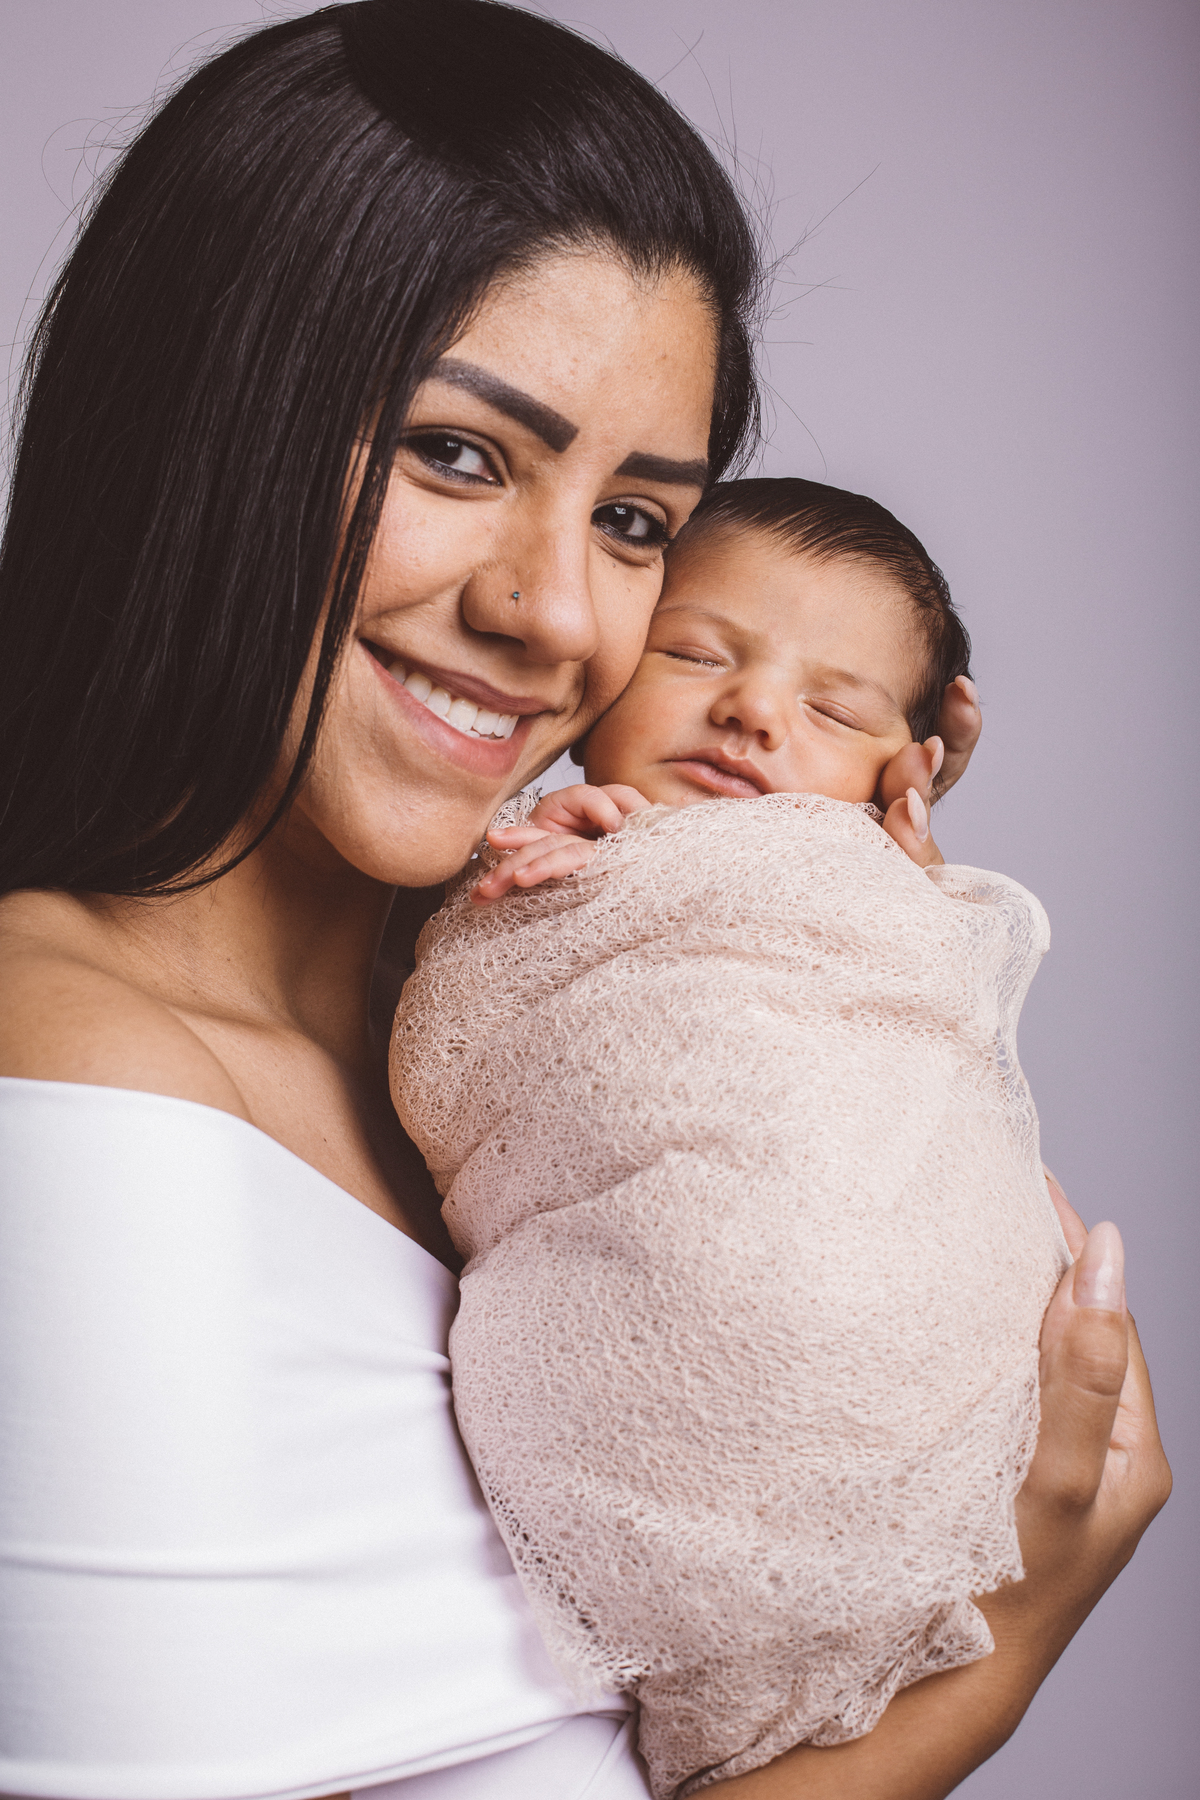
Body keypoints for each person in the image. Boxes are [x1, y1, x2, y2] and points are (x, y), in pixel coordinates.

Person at [0, 4, 1168, 1799]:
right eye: (458, 455)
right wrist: (988, 1668)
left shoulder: (501, 1037)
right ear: (202, 419)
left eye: (635, 522)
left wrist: (809, 938)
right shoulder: (77, 1104)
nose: (556, 614)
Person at [390, 477, 1092, 1796]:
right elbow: (464, 1058)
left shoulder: (868, 888)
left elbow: (919, 1055)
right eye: (695, 656)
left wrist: (903, 898)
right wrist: (513, 877)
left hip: (894, 1364)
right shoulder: (544, 854)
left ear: (902, 772)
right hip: (644, 1382)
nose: (754, 712)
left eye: (836, 710)